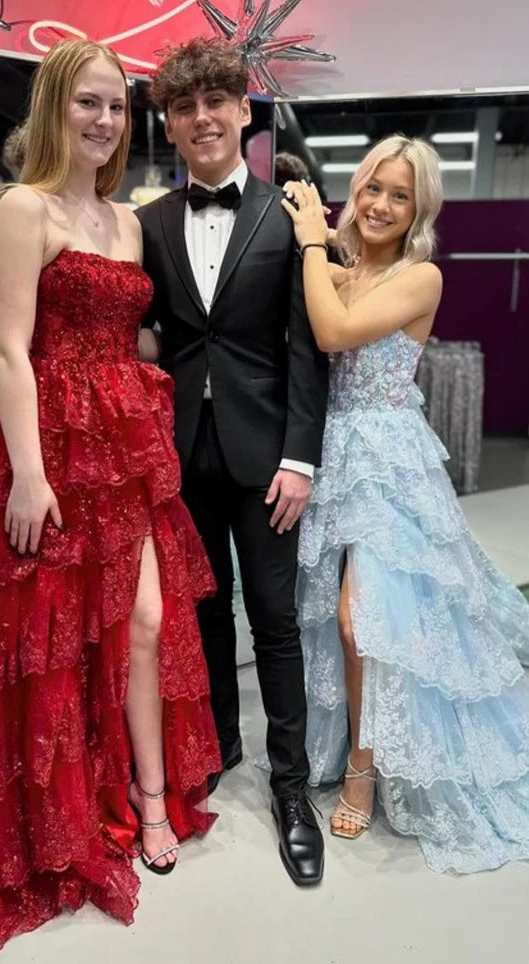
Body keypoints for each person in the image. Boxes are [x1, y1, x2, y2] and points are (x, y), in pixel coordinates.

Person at [0, 39, 220, 952]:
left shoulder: (127, 222)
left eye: (116, 106)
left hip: (122, 448)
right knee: (46, 637)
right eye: (88, 103)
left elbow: (131, 337)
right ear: (53, 111)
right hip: (46, 448)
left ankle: (151, 798)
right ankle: (58, 814)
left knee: (144, 619)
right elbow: (7, 349)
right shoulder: (22, 210)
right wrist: (28, 476)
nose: (104, 120)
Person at [282, 135, 529, 873]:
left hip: (388, 462)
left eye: (401, 196)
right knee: (327, 612)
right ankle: (347, 744)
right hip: (333, 452)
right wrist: (321, 248)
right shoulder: (347, 267)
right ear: (356, 190)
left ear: (420, 209)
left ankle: (363, 769)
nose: (383, 205)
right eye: (374, 188)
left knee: (362, 619)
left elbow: (332, 333)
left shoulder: (421, 277)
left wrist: (310, 242)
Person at [136, 38, 329, 886]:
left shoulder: (289, 217)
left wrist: (301, 458)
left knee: (276, 622)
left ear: (243, 111)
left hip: (268, 454)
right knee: (206, 612)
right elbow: (130, 332)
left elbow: (307, 350)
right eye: (185, 108)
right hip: (181, 452)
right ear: (172, 126)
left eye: (215, 102)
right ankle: (217, 747)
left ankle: (292, 791)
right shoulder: (148, 224)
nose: (202, 118)